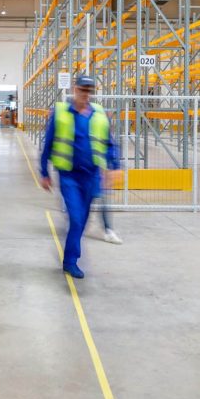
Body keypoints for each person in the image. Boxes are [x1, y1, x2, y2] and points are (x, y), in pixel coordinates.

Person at [39, 75, 121, 279]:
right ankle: (70, 261)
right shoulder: (60, 113)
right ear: (75, 89)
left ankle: (70, 256)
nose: (85, 94)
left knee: (82, 220)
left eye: (89, 91)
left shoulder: (99, 115)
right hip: (69, 176)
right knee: (76, 218)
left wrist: (115, 166)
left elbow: (109, 144)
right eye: (82, 90)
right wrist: (44, 172)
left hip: (92, 176)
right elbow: (48, 144)